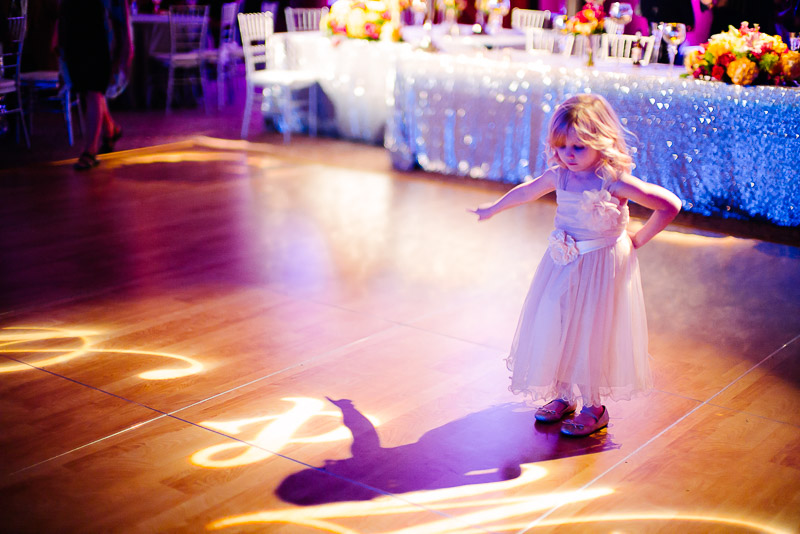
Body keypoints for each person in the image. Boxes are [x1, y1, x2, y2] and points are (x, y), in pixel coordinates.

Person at [470, 94, 681, 437]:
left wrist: (638, 239)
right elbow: (526, 192)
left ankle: (594, 405)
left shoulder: (614, 181)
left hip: (601, 267)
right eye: (562, 146)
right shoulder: (560, 176)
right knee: (558, 320)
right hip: (563, 262)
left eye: (579, 147)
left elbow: (669, 205)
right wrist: (494, 208)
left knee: (590, 330)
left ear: (602, 142)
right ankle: (564, 394)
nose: (569, 154)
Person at [58, 0, 133, 170]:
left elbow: (120, 6)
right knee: (87, 89)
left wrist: (127, 42)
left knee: (93, 89)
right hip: (74, 28)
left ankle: (90, 151)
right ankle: (110, 130)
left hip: (98, 31)